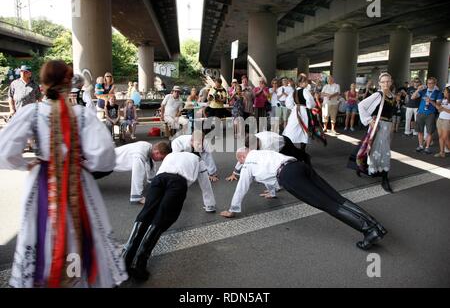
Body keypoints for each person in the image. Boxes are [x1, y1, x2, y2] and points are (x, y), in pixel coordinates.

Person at [0, 60, 127, 288]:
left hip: (42, 181)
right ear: (69, 85)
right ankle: (74, 277)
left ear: (43, 85)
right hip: (77, 179)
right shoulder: (81, 114)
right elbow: (105, 155)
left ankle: (46, 276)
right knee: (74, 232)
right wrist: (85, 163)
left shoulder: (32, 112)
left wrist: (24, 165)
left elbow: (5, 151)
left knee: (41, 231)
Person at [220, 149, 387, 251]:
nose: (240, 163)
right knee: (336, 198)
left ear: (242, 157)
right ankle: (375, 225)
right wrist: (272, 192)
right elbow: (268, 174)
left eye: (239, 160)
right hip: (298, 166)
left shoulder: (248, 164)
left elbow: (242, 187)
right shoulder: (263, 153)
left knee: (329, 205)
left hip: (289, 176)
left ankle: (368, 231)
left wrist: (233, 209)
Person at [122, 151, 217, 281]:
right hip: (178, 183)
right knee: (161, 219)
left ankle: (124, 261)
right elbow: (205, 185)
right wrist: (210, 206)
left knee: (145, 215)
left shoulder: (172, 154)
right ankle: (140, 263)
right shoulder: (198, 160)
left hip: (158, 179)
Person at [358, 72, 396, 193]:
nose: (386, 83)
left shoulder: (392, 95)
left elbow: (390, 113)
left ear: (391, 82)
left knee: (380, 150)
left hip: (387, 127)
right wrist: (370, 121)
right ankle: (384, 178)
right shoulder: (378, 95)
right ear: (379, 83)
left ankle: (368, 169)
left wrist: (391, 126)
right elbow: (361, 105)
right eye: (383, 81)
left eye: (388, 81)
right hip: (378, 126)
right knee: (379, 150)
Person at [225, 131, 311, 182]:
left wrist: (272, 183)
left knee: (295, 157)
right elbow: (242, 156)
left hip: (284, 144)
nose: (251, 150)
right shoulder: (252, 141)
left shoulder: (268, 146)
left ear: (256, 143)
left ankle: (306, 161)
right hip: (276, 139)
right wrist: (234, 173)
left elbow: (273, 163)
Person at [283, 75, 316, 154]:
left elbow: (288, 103)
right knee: (303, 129)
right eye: (305, 82)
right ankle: (302, 150)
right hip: (303, 111)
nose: (306, 83)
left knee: (292, 128)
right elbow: (311, 103)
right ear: (301, 83)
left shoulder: (293, 91)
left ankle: (290, 147)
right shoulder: (305, 91)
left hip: (295, 111)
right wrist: (308, 106)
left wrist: (293, 108)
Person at [411, 77, 443, 154]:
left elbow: (438, 106)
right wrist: (418, 89)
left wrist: (430, 101)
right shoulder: (423, 91)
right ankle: (420, 146)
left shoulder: (438, 93)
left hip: (430, 114)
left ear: (435, 84)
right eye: (428, 83)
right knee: (420, 131)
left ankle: (427, 147)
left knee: (429, 132)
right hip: (420, 113)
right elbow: (412, 97)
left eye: (431, 83)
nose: (429, 85)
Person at [434, 85, 450, 158]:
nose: (444, 92)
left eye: (445, 91)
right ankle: (442, 152)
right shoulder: (444, 99)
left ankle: (443, 152)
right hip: (440, 119)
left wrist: (443, 109)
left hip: (447, 120)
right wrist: (439, 108)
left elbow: (445, 110)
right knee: (441, 137)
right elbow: (440, 110)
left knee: (444, 138)